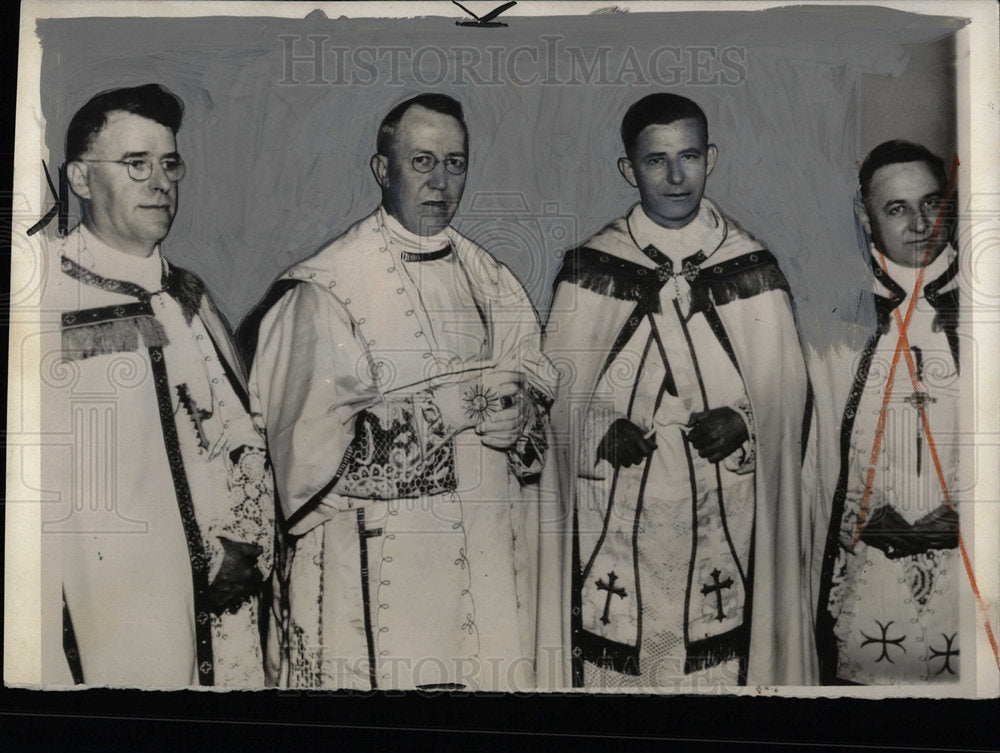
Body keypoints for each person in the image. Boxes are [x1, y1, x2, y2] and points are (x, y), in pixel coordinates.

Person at [240, 93, 562, 691]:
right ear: (382, 170)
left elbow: (535, 430)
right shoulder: (324, 290)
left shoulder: (492, 279)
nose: (442, 181)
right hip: (374, 586)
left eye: (456, 163)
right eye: (422, 162)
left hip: (484, 572)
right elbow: (308, 473)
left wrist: (520, 424)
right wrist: (461, 406)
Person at [545, 93, 815, 689]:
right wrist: (596, 432)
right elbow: (556, 405)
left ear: (710, 158)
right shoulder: (590, 269)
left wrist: (744, 423)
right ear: (628, 169)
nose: (674, 176)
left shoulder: (752, 269)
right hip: (615, 519)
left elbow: (787, 402)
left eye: (688, 156)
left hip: (726, 516)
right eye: (655, 160)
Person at [39, 84, 274, 687]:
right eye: (136, 164)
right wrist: (198, 557)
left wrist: (246, 544)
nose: (161, 182)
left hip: (230, 610)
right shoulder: (48, 303)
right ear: (81, 179)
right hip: (123, 613)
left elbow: (238, 431)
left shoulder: (188, 294)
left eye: (170, 164)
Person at [814, 140, 960, 684]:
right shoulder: (837, 324)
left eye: (931, 203)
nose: (920, 222)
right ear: (865, 213)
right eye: (896, 208)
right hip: (868, 570)